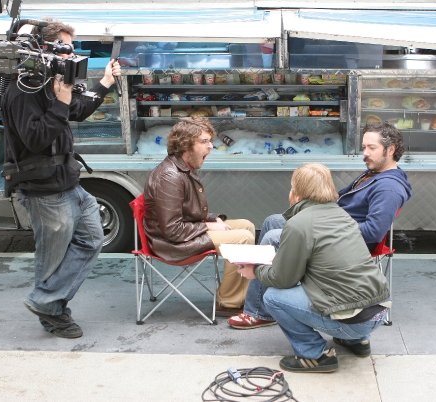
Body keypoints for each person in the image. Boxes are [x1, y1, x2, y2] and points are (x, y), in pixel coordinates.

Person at [0, 18, 122, 338]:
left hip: (68, 181)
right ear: (44, 48)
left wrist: (105, 82)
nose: (70, 56)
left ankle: (45, 301)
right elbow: (37, 139)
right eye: (65, 49)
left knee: (92, 238)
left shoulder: (51, 82)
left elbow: (78, 110)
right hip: (44, 188)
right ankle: (52, 312)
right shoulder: (22, 89)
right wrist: (61, 102)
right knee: (51, 258)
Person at [229, 122, 412, 333]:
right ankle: (266, 294)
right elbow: (339, 199)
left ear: (390, 150)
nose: (365, 153)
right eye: (364, 147)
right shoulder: (372, 174)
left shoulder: (389, 187)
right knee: (274, 221)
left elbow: (374, 231)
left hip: (342, 242)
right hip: (330, 227)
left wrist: (325, 226)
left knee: (272, 237)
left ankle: (258, 312)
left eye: (372, 148)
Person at [237, 163, 391, 373]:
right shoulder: (343, 215)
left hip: (352, 321)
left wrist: (254, 271)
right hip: (378, 313)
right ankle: (357, 341)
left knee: (273, 297)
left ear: (297, 192)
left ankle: (314, 355)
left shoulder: (299, 224)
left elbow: (284, 280)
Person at [143, 118, 255, 316]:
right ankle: (229, 302)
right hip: (170, 244)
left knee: (246, 226)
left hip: (183, 233)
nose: (211, 146)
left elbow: (185, 211)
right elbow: (172, 230)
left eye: (210, 141)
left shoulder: (182, 168)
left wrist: (212, 219)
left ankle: (239, 293)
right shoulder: (170, 177)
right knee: (242, 238)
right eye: (204, 141)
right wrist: (208, 226)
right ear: (185, 145)